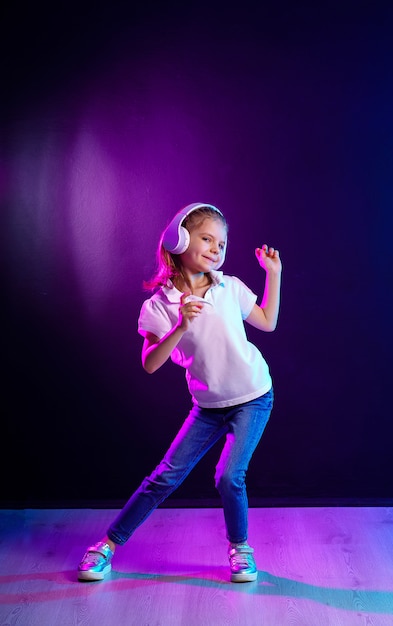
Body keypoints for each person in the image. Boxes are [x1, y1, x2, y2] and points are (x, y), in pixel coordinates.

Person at [77, 202, 282, 583]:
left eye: (221, 243)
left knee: (228, 476)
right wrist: (180, 326)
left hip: (253, 397)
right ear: (179, 240)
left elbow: (268, 321)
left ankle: (240, 549)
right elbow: (150, 363)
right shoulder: (158, 306)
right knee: (162, 479)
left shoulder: (229, 288)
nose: (216, 249)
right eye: (207, 239)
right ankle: (106, 546)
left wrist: (274, 274)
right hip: (207, 407)